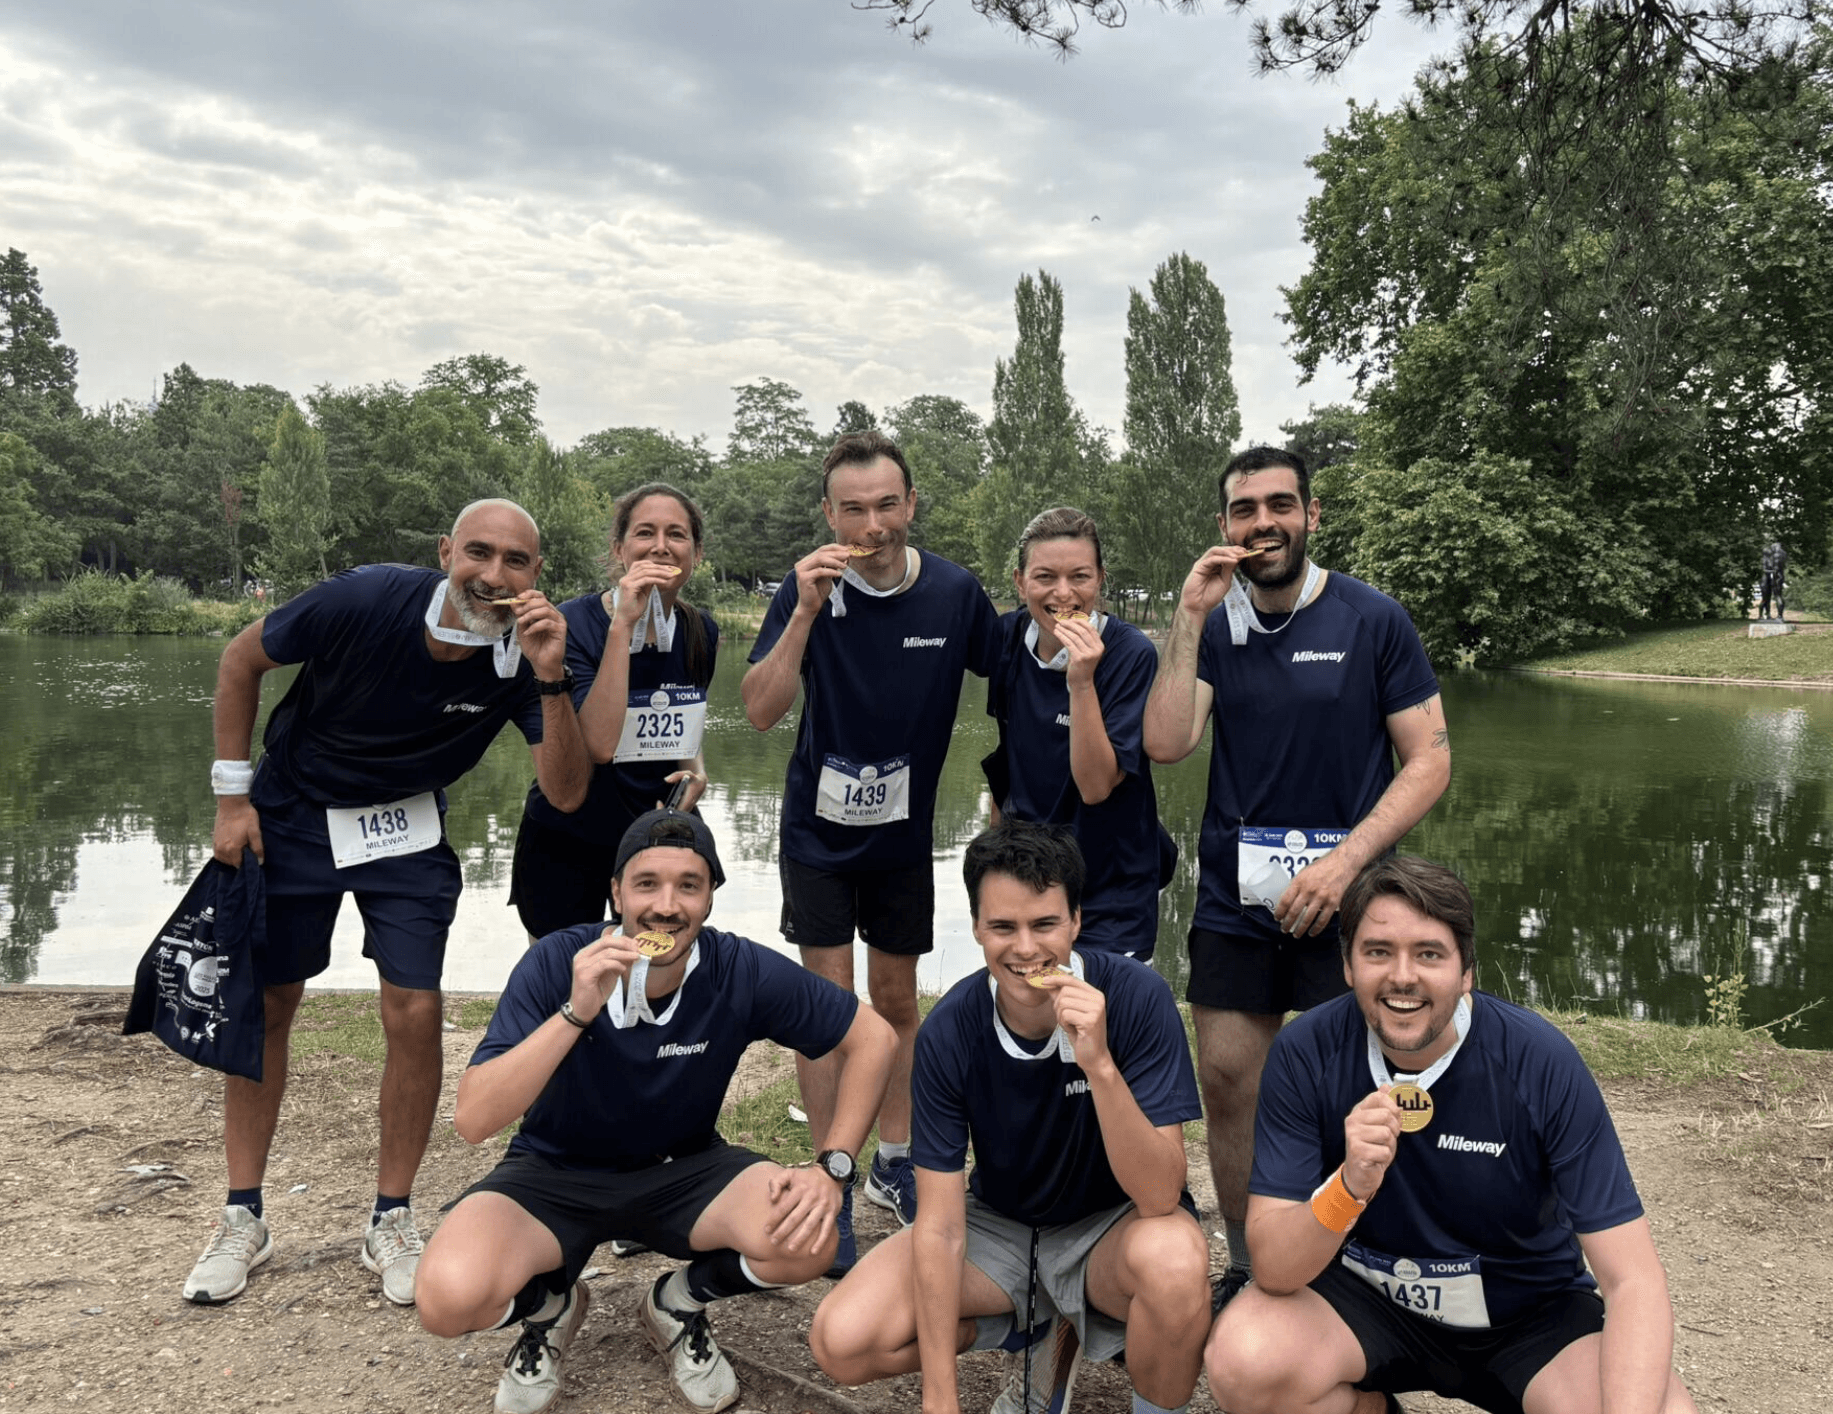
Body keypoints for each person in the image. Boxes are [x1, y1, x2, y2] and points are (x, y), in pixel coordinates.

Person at [184, 499, 591, 1308]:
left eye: (515, 561)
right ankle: (241, 1218)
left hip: (402, 831)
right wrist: (233, 801)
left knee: (415, 1010)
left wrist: (552, 674)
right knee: (269, 1004)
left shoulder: (526, 654)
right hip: (294, 814)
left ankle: (392, 1217)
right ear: (445, 551)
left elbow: (567, 792)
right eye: (478, 553)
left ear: (535, 574)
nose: (493, 575)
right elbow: (239, 661)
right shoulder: (364, 598)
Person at [415, 809, 895, 1414]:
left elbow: (873, 1039)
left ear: (710, 898)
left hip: (683, 1168)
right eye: (647, 884)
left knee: (810, 1237)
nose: (666, 906)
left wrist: (834, 1168)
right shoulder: (558, 961)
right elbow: (473, 1119)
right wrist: (576, 1011)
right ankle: (551, 1307)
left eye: (688, 885)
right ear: (616, 891)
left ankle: (676, 1303)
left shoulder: (737, 967)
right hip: (553, 1173)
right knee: (446, 1298)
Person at [1206, 855, 1698, 1414]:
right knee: (1244, 1357)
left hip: (1528, 1318)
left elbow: (1634, 1280)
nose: (1402, 976)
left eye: (1429, 954)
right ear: (1347, 964)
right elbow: (1271, 1268)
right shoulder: (1306, 1053)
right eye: (1378, 952)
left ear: (1467, 971)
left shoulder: (1540, 1062)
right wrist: (1349, 1186)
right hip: (1370, 1304)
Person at [1141, 446, 1450, 1310]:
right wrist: (1188, 614)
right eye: (1245, 510)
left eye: (1281, 505)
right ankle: (1249, 1261)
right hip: (1237, 902)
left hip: (1352, 904)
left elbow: (1428, 759)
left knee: (1359, 1090)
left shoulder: (1370, 618)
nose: (1263, 522)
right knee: (1231, 1081)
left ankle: (1365, 1259)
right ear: (1225, 528)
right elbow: (1166, 743)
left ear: (1311, 516)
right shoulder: (1215, 624)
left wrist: (1346, 862)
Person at [809, 820, 1210, 1414]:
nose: (1026, 949)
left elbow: (1158, 1195)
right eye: (1003, 927)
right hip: (1000, 1227)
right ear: (975, 927)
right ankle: (1034, 1330)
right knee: (841, 1342)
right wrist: (940, 1398)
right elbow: (941, 1227)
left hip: (1110, 1230)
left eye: (1045, 924)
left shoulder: (1137, 998)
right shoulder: (951, 1029)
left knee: (1177, 1264)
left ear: (1076, 920)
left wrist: (1098, 1063)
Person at [741, 430, 1000, 1261]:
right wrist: (806, 611)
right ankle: (832, 1172)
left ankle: (894, 1158)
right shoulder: (805, 588)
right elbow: (756, 710)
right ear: (829, 512)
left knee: (894, 1000)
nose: (871, 524)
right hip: (817, 830)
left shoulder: (955, 593)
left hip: (901, 831)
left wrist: (1009, 788)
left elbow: (1017, 684)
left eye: (886, 505)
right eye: (852, 508)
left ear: (911, 505)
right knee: (828, 1008)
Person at [509, 482, 717, 942]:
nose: (661, 546)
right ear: (619, 548)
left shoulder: (702, 629)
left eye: (676, 535)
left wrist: (695, 770)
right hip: (568, 834)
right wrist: (623, 623)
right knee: (562, 977)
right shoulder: (572, 625)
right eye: (645, 533)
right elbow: (599, 745)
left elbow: (684, 718)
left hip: (654, 837)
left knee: (654, 967)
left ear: (696, 553)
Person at [983, 506, 1171, 960]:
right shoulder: (1006, 639)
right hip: (1027, 881)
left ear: (1101, 579)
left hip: (1110, 890)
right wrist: (990, 866)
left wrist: (1081, 681)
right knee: (1030, 1018)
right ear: (1019, 580)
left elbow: (1095, 785)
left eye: (1080, 577)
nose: (1063, 594)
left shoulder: (1130, 655)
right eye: (1045, 576)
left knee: (1099, 1022)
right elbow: (1008, 759)